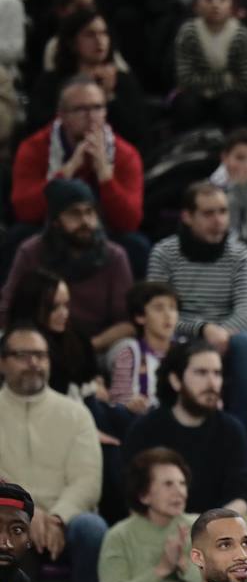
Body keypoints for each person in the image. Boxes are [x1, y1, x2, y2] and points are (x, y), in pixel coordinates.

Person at [146, 182, 247, 433]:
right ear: (187, 216)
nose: (219, 221)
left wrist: (219, 334)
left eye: (223, 212)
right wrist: (203, 329)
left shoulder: (240, 254)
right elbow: (154, 312)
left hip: (227, 338)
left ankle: (239, 432)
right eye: (209, 214)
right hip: (181, 334)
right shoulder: (163, 253)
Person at [0, 328, 105, 582]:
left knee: (91, 528)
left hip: (64, 520)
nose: (33, 362)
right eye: (22, 355)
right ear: (2, 362)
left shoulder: (75, 413)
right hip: (8, 514)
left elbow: (87, 480)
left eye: (40, 355)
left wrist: (57, 517)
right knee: (11, 529)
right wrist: (26, 514)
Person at [7, 77, 145, 277]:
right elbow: (25, 211)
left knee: (136, 245)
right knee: (18, 236)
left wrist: (105, 175)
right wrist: (68, 170)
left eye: (98, 108)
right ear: (61, 115)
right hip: (50, 229)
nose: (91, 117)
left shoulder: (125, 153)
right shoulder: (34, 147)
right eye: (81, 109)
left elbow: (129, 222)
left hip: (101, 231)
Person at [1, 178, 133, 354]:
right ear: (55, 221)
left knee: (126, 350)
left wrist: (88, 347)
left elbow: (127, 322)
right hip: (37, 344)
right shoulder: (31, 252)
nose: (85, 221)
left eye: (89, 212)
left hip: (96, 346)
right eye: (74, 214)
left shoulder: (115, 256)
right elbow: (6, 307)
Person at [122, 340, 247, 516]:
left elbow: (239, 499)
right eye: (201, 373)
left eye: (217, 373)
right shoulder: (145, 430)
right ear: (176, 380)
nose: (212, 383)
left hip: (213, 533)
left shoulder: (232, 431)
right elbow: (133, 499)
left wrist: (202, 529)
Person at [27, 7, 149, 149]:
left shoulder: (122, 81)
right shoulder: (51, 81)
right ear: (72, 42)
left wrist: (109, 96)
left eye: (104, 33)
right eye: (90, 34)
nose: (99, 40)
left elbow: (138, 135)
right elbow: (36, 128)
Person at [97, 447, 200, 582]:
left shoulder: (199, 527)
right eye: (168, 484)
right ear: (144, 495)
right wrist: (161, 569)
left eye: (182, 483)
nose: (179, 492)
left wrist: (184, 564)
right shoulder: (119, 536)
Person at [170, 0, 247, 130]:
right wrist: (227, 79)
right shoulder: (188, 33)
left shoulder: (242, 35)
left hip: (231, 99)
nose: (215, 4)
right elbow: (185, 78)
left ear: (232, 4)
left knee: (233, 105)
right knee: (186, 104)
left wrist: (207, 83)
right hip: (196, 98)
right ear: (197, 3)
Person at [4, 273, 101, 400]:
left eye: (66, 305)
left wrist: (97, 383)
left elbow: (93, 373)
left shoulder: (77, 336)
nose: (64, 313)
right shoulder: (16, 344)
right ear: (33, 307)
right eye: (54, 307)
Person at [107, 283, 179, 414]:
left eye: (173, 308)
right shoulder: (129, 352)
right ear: (140, 317)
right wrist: (131, 403)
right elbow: (117, 401)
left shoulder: (187, 351)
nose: (168, 315)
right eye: (159, 308)